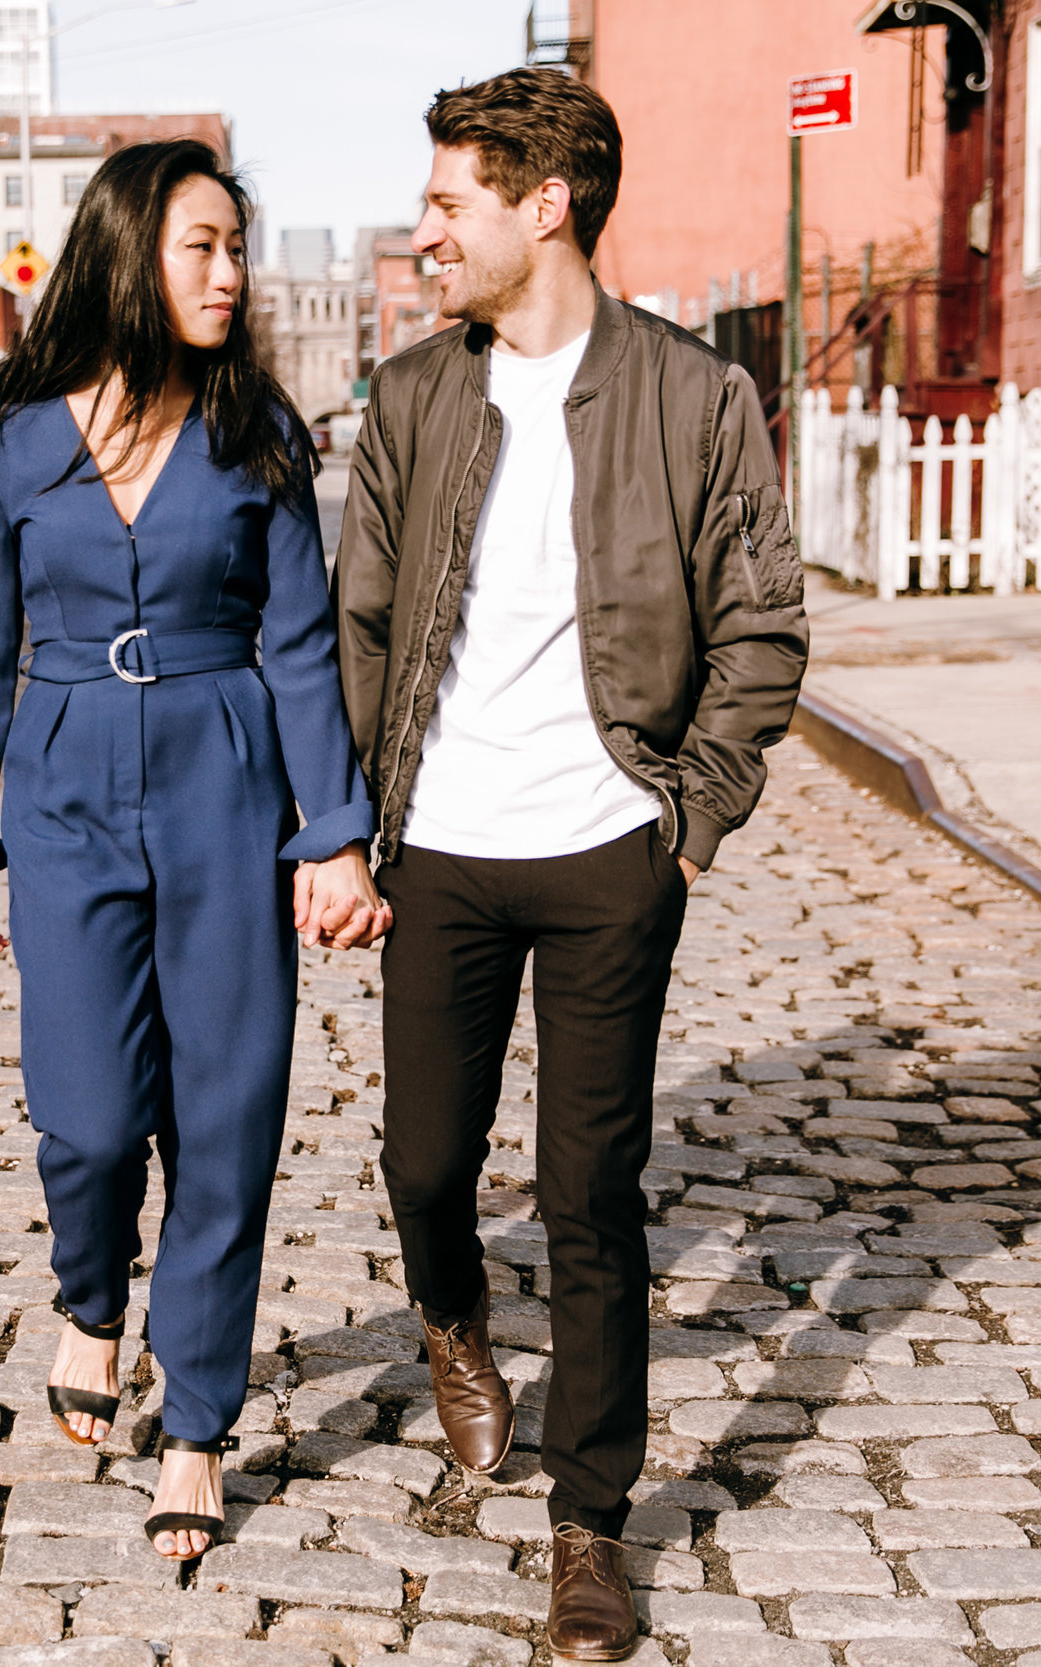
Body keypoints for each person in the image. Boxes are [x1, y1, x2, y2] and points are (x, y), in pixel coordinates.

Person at [334, 69, 810, 1661]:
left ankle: (589, 1529)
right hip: (446, 850)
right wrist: (349, 829)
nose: (424, 235)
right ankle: (455, 1318)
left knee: (597, 1194)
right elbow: (367, 626)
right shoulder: (414, 398)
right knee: (423, 1164)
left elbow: (762, 621)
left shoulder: (691, 395)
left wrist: (690, 818)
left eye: (450, 204)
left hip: (611, 843)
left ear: (546, 207)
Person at [0, 137, 388, 1561]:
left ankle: (194, 1420)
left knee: (227, 1118)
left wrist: (335, 837)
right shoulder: (8, 434)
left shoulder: (260, 433)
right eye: (204, 246)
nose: (231, 274)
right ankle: (86, 1296)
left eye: (238, 247)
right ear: (130, 250)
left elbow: (301, 648)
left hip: (224, 778)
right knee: (91, 1115)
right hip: (62, 790)